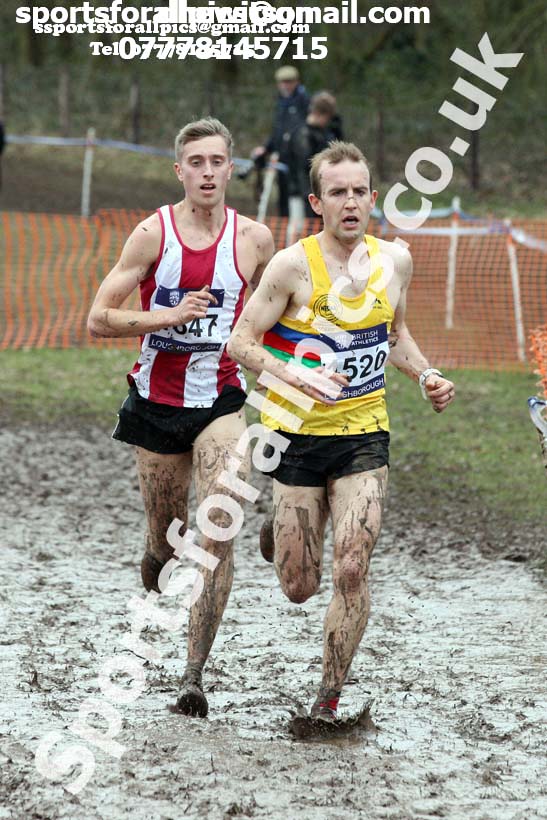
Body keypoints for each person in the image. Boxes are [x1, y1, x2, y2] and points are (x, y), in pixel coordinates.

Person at [227, 141, 455, 721]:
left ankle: (327, 699)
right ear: (317, 202)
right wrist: (297, 375)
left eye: (359, 192)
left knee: (352, 565)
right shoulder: (291, 266)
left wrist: (425, 373)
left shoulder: (394, 262)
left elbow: (394, 332)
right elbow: (241, 343)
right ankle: (278, 536)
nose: (350, 202)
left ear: (373, 199)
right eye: (338, 193)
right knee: (299, 587)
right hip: (296, 437)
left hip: (363, 435)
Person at [87, 118, 274, 717]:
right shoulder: (151, 235)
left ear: (231, 168)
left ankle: (193, 674)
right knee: (168, 544)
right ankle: (155, 549)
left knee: (218, 532)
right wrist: (164, 318)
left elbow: (274, 317)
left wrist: (292, 373)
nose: (209, 172)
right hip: (156, 403)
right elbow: (98, 318)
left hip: (220, 400)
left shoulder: (255, 241)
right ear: (180, 171)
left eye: (218, 161)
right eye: (197, 162)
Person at [252, 65, 310, 217]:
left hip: (298, 163)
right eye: (282, 82)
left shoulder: (304, 102)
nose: (285, 85)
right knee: (283, 200)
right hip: (282, 160)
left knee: (298, 199)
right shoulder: (281, 103)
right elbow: (278, 131)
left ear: (296, 82)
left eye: (289, 81)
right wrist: (266, 148)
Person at [288, 91, 339, 219]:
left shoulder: (325, 133)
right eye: (327, 118)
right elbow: (305, 164)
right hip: (301, 191)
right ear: (319, 114)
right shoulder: (302, 134)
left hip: (318, 190)